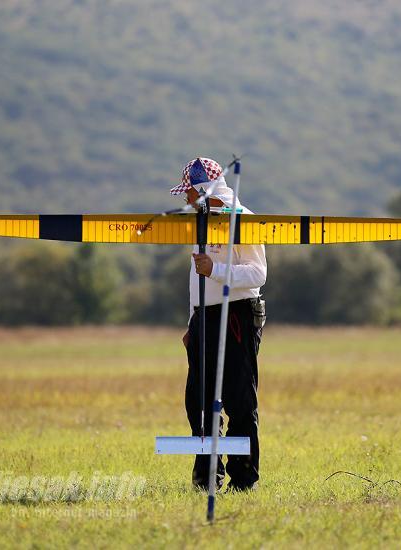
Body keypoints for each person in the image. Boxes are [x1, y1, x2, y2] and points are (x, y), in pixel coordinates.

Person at [170, 157, 267, 492]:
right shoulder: (198, 221)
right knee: (199, 402)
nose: (185, 201)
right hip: (203, 321)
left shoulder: (242, 219)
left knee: (239, 403)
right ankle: (206, 479)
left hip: (237, 315)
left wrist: (215, 269)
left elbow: (258, 274)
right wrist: (192, 322)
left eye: (189, 194)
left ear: (202, 190)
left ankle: (244, 481)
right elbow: (196, 279)